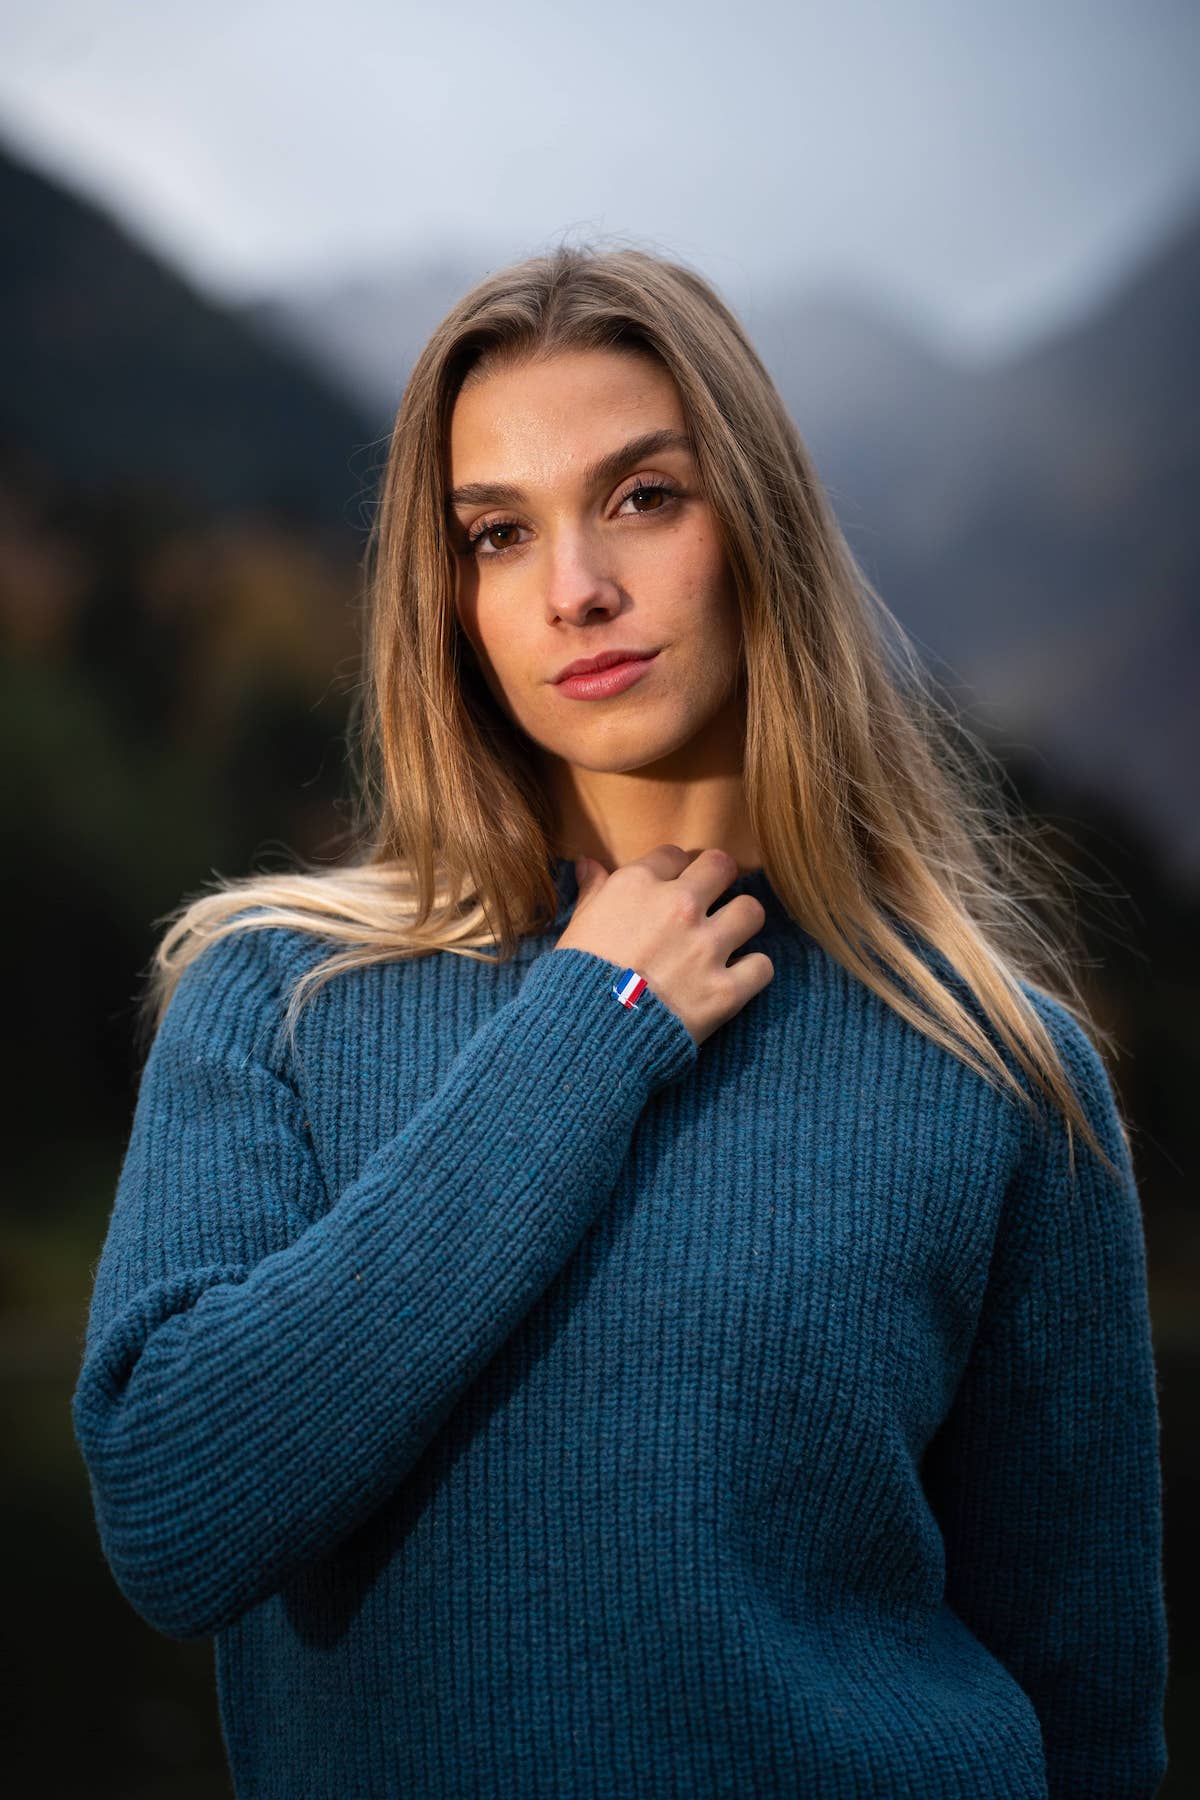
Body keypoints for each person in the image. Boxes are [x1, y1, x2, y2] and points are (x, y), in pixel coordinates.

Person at [71, 242, 1169, 1798]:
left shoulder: (996, 1069)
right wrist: (591, 1026)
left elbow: (1090, 1704)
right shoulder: (277, 1001)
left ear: (759, 527)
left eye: (644, 497)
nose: (576, 587)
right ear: (451, 599)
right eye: (499, 533)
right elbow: (177, 1515)